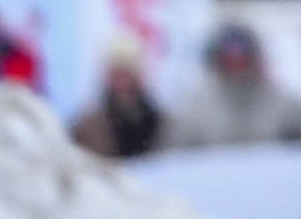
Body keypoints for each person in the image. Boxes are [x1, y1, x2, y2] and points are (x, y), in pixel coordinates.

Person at [164, 20, 301, 150]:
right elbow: (175, 155)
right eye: (229, 60)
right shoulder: (195, 110)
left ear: (256, 60)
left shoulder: (284, 106)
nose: (237, 67)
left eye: (243, 60)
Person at [72, 33, 163, 162]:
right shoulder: (87, 128)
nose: (122, 83)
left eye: (127, 75)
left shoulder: (162, 125)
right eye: (116, 75)